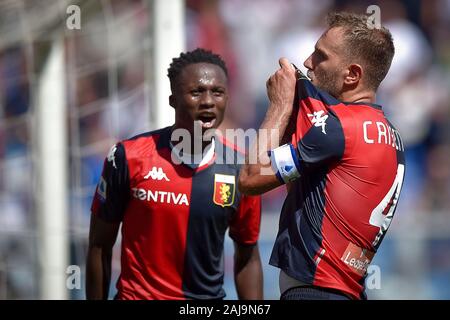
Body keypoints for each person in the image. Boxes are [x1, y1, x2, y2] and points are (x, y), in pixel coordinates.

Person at [238, 12, 405, 300]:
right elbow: (305, 192)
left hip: (316, 292)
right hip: (345, 291)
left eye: (320, 56)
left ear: (352, 74)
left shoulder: (339, 127)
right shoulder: (391, 134)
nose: (307, 63)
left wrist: (278, 106)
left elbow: (251, 178)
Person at [86, 48, 263, 300]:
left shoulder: (241, 168)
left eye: (218, 92)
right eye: (196, 92)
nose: (208, 101)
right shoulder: (129, 157)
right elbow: (99, 246)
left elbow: (247, 256)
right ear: (173, 99)